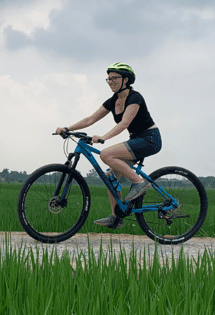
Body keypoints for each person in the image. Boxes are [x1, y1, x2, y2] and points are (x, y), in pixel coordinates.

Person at [54, 62, 162, 229]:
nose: (110, 81)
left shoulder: (135, 97)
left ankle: (139, 183)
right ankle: (116, 217)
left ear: (126, 79)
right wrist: (68, 128)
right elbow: (90, 119)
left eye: (114, 78)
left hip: (150, 138)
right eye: (109, 78)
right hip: (136, 140)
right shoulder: (112, 101)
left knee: (106, 154)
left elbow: (125, 123)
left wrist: (104, 137)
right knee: (110, 177)